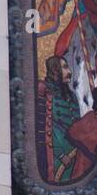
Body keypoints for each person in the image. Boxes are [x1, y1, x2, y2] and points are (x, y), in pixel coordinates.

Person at [39, 54, 81, 182]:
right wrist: (60, 154)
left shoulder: (72, 96)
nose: (69, 72)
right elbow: (42, 125)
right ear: (55, 70)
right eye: (65, 67)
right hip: (55, 154)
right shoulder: (44, 89)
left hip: (74, 153)